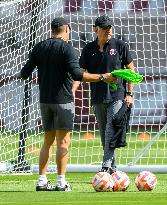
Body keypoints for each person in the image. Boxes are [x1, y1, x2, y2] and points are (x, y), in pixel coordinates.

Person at [20, 17, 116, 191]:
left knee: (47, 141)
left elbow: (24, 73)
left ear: (52, 30)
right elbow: (78, 75)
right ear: (67, 29)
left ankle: (41, 181)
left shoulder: (39, 47)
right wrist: (103, 77)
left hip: (45, 101)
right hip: (63, 101)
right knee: (63, 142)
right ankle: (61, 182)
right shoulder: (68, 49)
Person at [79, 15, 135, 174]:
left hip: (117, 96)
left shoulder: (120, 45)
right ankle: (113, 170)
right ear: (96, 29)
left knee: (111, 129)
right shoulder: (88, 49)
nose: (108, 30)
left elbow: (131, 71)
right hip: (97, 98)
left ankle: (105, 167)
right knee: (105, 135)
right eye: (105, 27)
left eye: (110, 27)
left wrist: (130, 93)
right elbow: (81, 74)